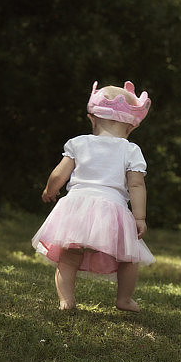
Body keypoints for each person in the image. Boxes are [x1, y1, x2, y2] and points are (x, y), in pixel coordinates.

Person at [31, 81, 154, 312]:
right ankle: (124, 299)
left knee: (68, 257)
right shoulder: (131, 150)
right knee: (128, 258)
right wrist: (139, 217)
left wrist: (50, 190)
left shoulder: (78, 143)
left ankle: (66, 300)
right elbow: (137, 186)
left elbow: (59, 174)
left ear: (92, 119)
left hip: (76, 208)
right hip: (112, 210)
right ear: (131, 128)